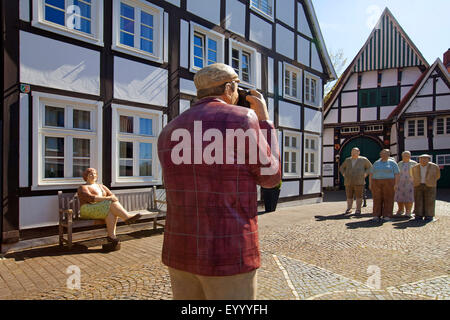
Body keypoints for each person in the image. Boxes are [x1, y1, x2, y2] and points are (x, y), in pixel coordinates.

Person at [157, 63, 281, 300]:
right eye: (236, 87)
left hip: (180, 249)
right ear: (229, 87)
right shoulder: (243, 118)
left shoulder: (168, 130)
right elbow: (271, 177)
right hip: (229, 250)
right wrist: (264, 121)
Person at [77, 168, 142, 250]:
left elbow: (113, 196)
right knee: (110, 203)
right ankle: (126, 217)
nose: (93, 176)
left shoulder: (101, 186)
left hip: (102, 208)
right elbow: (91, 198)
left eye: (94, 174)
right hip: (87, 209)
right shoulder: (83, 187)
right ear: (86, 176)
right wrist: (107, 199)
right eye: (90, 174)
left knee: (111, 212)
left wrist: (110, 198)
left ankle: (111, 236)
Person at [369, 149, 400, 222]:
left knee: (388, 199)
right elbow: (371, 174)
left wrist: (396, 184)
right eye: (382, 153)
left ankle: (387, 215)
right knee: (377, 198)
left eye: (386, 153)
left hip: (389, 182)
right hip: (376, 182)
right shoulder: (376, 163)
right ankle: (376, 215)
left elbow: (397, 174)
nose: (383, 155)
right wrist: (370, 184)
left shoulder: (392, 163)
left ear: (389, 154)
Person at [339, 147, 372, 215]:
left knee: (359, 196)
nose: (353, 153)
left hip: (359, 180)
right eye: (352, 152)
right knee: (349, 196)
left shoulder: (363, 159)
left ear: (358, 152)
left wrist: (365, 174)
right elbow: (341, 167)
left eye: (355, 152)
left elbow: (370, 167)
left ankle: (358, 209)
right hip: (348, 181)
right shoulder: (347, 160)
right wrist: (344, 174)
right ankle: (349, 208)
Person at [411, 154, 441, 222]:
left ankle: (429, 216)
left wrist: (430, 181)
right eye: (421, 158)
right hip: (418, 185)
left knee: (430, 201)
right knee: (418, 200)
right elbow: (412, 175)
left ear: (428, 159)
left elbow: (437, 176)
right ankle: (418, 215)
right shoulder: (415, 167)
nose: (423, 160)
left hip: (430, 185)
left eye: (425, 158)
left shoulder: (434, 166)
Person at [394, 151, 417, 217]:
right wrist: (396, 183)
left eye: (407, 155)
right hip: (400, 183)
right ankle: (400, 210)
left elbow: (417, 173)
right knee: (400, 197)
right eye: (404, 155)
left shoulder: (414, 163)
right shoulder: (399, 163)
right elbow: (396, 173)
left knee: (409, 198)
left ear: (410, 156)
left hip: (410, 183)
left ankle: (408, 211)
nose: (405, 157)